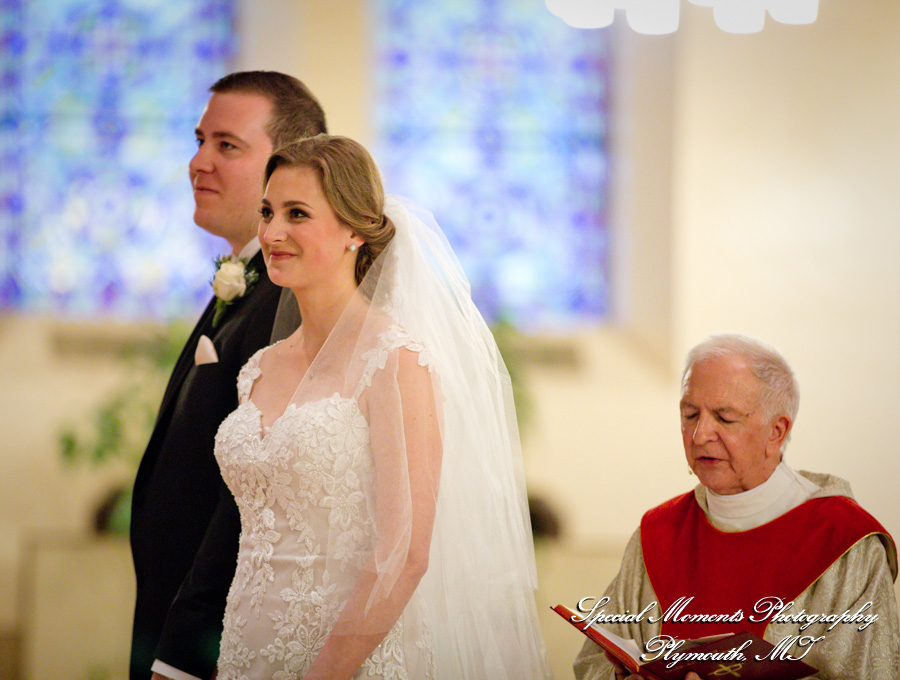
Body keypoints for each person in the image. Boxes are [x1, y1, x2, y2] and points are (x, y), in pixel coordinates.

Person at [212, 134, 551, 679]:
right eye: (267, 211)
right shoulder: (260, 367)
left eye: (297, 214)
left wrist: (324, 674)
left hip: (349, 657)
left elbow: (406, 554)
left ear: (354, 229)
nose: (272, 233)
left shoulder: (394, 360)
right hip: (245, 647)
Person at [129, 71, 327, 680]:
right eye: (198, 140)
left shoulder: (285, 306)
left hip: (212, 647)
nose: (198, 162)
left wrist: (185, 655)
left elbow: (252, 501)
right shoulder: (244, 285)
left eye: (226, 145)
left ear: (287, 166)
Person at [573, 334, 899, 680]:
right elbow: (594, 663)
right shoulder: (658, 536)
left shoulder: (844, 544)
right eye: (690, 414)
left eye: (724, 419)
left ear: (776, 432)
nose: (699, 435)